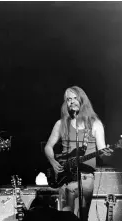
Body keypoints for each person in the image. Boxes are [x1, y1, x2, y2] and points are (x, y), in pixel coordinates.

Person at [44, 86, 112, 221]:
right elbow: (48, 147)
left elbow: (102, 151)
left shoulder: (95, 124)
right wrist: (53, 162)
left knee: (83, 216)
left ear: (82, 100)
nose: (72, 101)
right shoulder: (61, 124)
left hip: (86, 178)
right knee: (66, 216)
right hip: (65, 177)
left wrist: (108, 152)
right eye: (68, 99)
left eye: (75, 98)